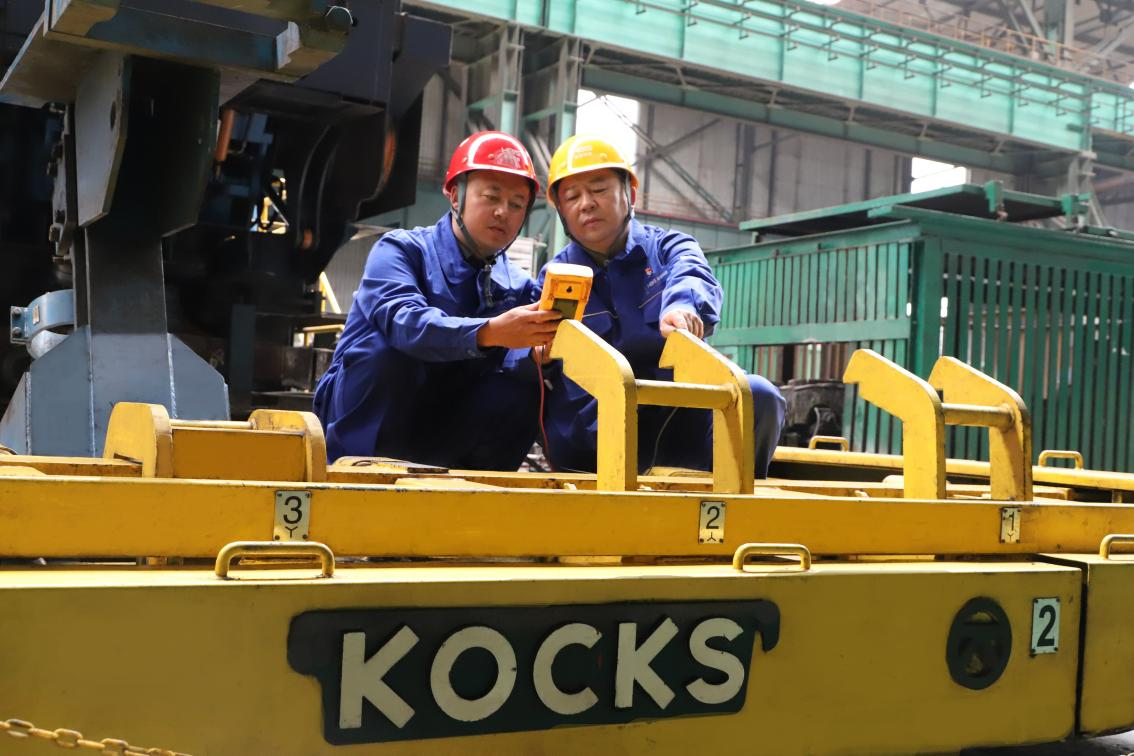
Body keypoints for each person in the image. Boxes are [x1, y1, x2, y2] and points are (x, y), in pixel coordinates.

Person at [538, 134, 785, 477]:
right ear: (561, 210)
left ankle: (734, 501)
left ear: (630, 193)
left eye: (599, 189)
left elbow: (691, 273)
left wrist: (683, 307)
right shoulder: (555, 278)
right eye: (572, 197)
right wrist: (537, 351)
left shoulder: (669, 248)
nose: (586, 204)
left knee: (757, 395)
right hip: (597, 439)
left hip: (681, 421)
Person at [313, 131, 560, 467]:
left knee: (521, 389)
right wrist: (489, 332)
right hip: (368, 423)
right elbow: (404, 322)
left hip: (446, 427)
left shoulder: (519, 287)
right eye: (491, 197)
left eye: (517, 205)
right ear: (455, 196)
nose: (503, 211)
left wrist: (535, 355)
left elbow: (513, 366)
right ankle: (354, 473)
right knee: (388, 354)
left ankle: (477, 489)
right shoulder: (400, 251)